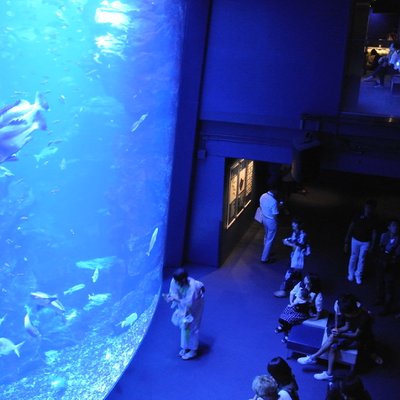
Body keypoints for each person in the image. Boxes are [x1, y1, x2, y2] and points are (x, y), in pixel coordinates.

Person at [297, 294, 374, 381]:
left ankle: (313, 357)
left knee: (333, 338)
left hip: (360, 339)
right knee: (333, 344)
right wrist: (338, 330)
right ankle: (328, 373)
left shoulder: (364, 318)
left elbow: (356, 335)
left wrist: (341, 335)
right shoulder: (349, 310)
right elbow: (347, 327)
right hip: (351, 333)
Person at [162, 268, 205, 360]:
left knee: (192, 326)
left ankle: (193, 350)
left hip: (196, 303)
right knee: (184, 326)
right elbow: (173, 292)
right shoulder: (174, 280)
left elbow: (189, 303)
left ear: (185, 279)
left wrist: (174, 299)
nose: (178, 283)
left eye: (181, 281)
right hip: (183, 303)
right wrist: (171, 298)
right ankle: (185, 347)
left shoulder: (192, 287)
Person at [275, 273, 323, 342]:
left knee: (288, 321)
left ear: (311, 282)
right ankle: (284, 328)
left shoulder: (317, 294)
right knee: (281, 318)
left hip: (303, 312)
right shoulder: (301, 284)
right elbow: (292, 292)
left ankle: (287, 335)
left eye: (307, 278)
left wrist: (317, 317)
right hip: (294, 306)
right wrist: (292, 302)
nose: (305, 278)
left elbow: (319, 308)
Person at [344, 199, 377, 285]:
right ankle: (350, 273)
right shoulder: (358, 216)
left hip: (366, 242)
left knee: (362, 259)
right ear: (365, 207)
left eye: (370, 208)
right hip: (355, 239)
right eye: (367, 207)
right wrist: (347, 238)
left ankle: (358, 274)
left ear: (373, 209)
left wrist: (372, 245)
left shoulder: (373, 219)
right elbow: (351, 226)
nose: (368, 209)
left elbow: (374, 232)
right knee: (353, 257)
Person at [274, 217, 310, 297]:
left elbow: (300, 246)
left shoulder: (303, 234)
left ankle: (284, 290)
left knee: (290, 272)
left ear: (299, 225)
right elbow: (293, 239)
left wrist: (289, 243)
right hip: (295, 255)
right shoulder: (295, 232)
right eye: (293, 223)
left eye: (295, 223)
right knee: (296, 273)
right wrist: (287, 240)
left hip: (299, 256)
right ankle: (300, 288)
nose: (293, 224)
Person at [374, 219, 400, 315]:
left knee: (389, 286)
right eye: (393, 225)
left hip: (391, 266)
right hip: (382, 263)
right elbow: (381, 247)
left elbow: (397, 254)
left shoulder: (398, 239)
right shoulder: (384, 235)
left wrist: (389, 253)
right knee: (380, 283)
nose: (395, 227)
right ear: (388, 227)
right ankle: (379, 299)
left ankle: (386, 308)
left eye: (396, 226)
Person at [259, 189, 280, 263]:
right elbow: (275, 215)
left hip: (264, 218)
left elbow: (261, 207)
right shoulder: (274, 201)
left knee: (266, 235)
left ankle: (266, 251)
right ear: (274, 190)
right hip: (271, 221)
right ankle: (264, 258)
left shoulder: (263, 195)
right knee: (270, 239)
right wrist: (277, 222)